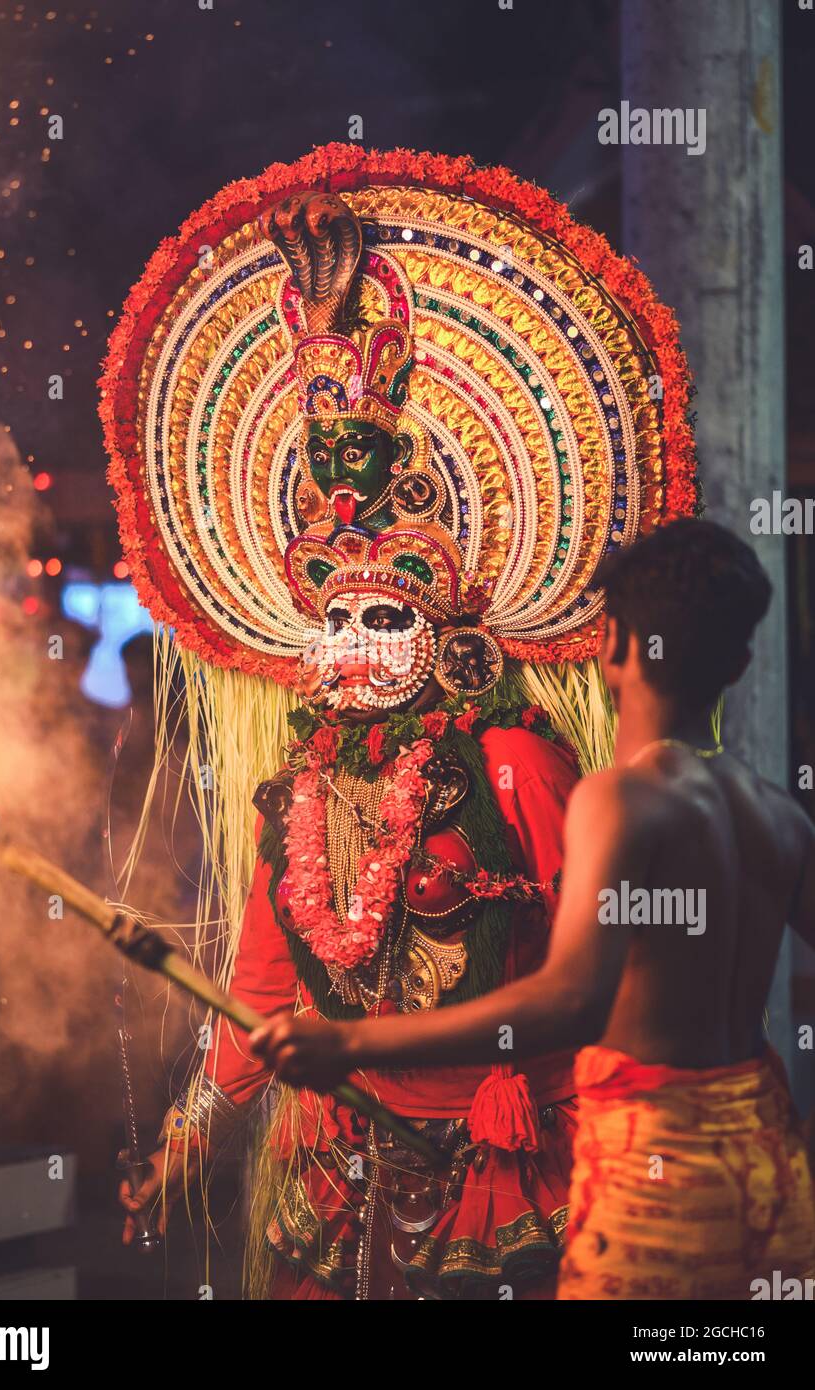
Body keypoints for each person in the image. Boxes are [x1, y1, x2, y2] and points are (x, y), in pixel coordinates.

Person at [104, 144, 698, 1298]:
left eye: (382, 613)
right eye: (330, 615)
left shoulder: (516, 763)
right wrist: (191, 1127)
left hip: (506, 1159)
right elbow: (264, 984)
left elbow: (613, 977)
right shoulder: (307, 775)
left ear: (446, 626)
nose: (350, 645)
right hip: (334, 1162)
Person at [252, 519, 815, 1300]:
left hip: (655, 1163)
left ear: (611, 645)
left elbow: (571, 1000)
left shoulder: (618, 799)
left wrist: (353, 1039)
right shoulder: (778, 815)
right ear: (743, 659)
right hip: (768, 1153)